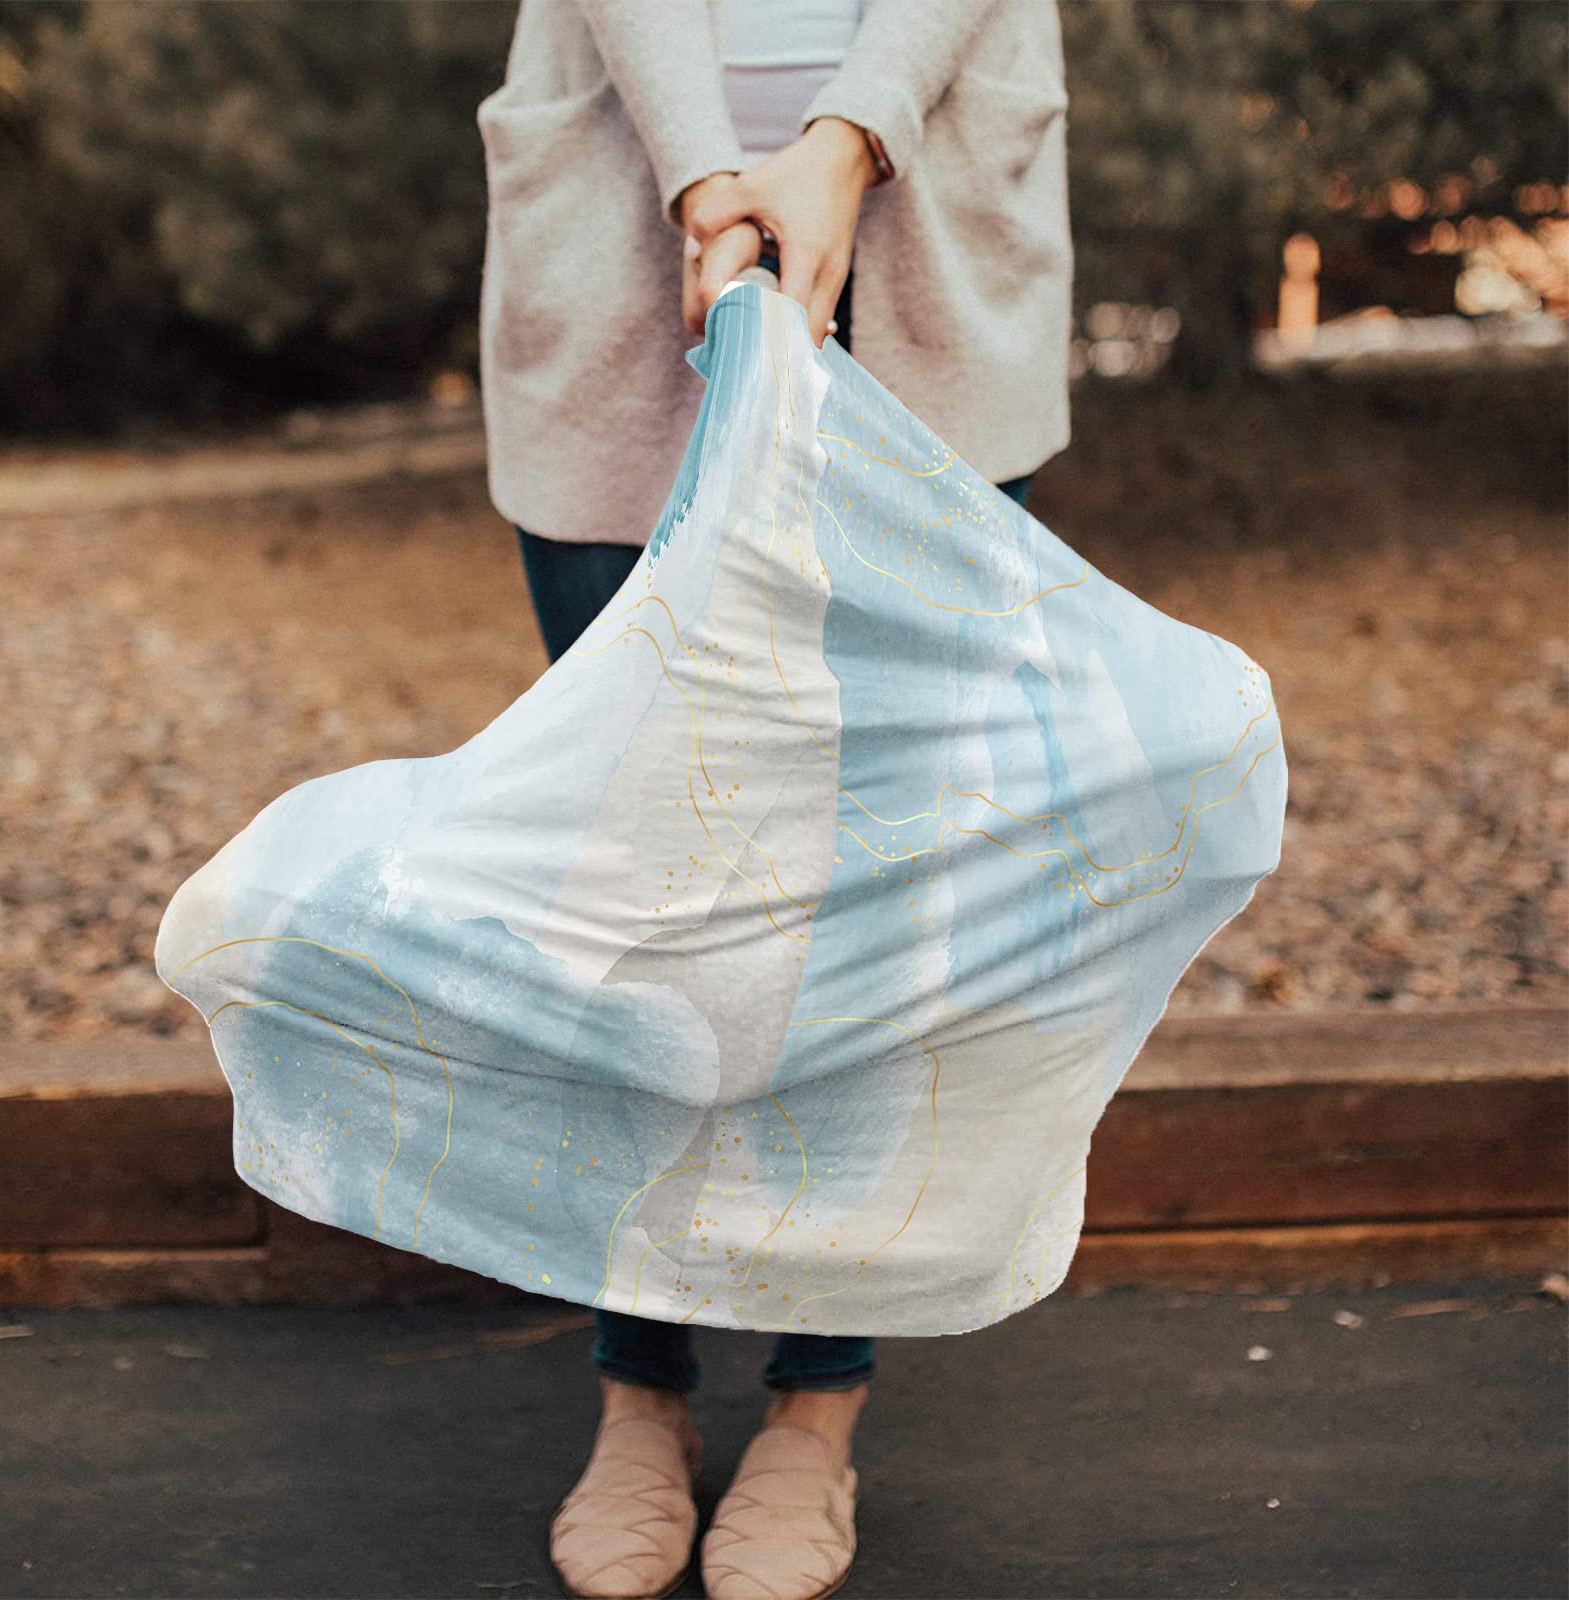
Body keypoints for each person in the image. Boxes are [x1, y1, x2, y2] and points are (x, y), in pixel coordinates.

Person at [474, 3, 1072, 1595]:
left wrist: (846, 136)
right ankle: (639, 1388)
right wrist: (702, 178)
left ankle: (818, 1402)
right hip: (625, 219)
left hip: (929, 218)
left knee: (871, 887)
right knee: (639, 876)